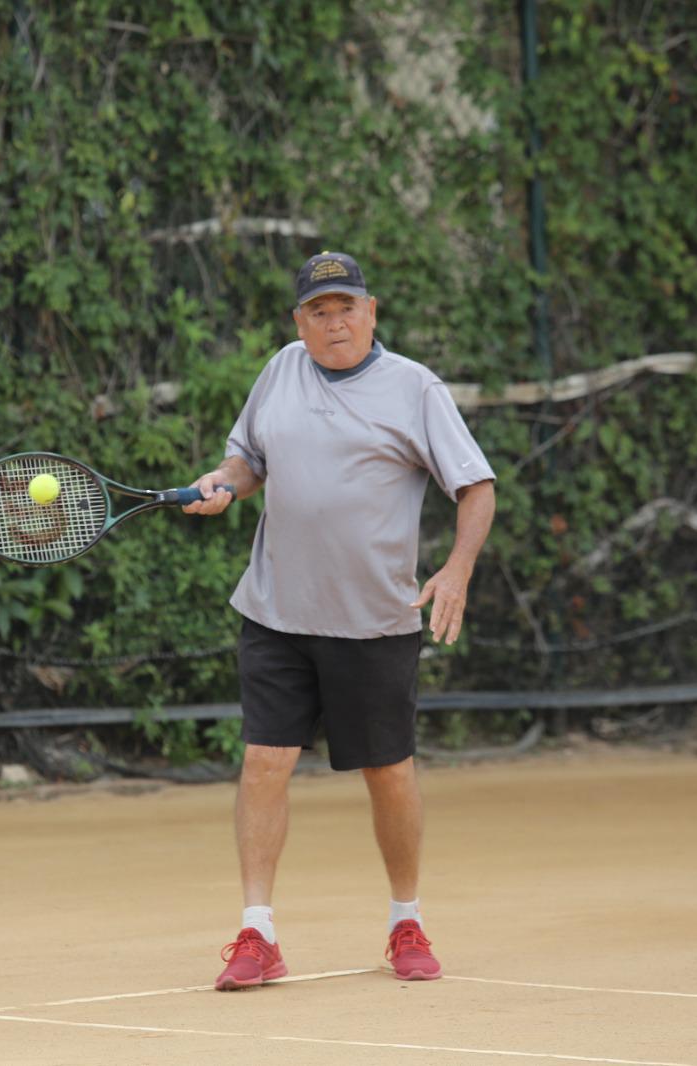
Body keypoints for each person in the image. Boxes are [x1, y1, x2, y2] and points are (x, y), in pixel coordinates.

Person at [186, 251, 496, 990]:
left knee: (389, 772)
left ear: (372, 311)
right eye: (318, 312)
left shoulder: (415, 388)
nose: (334, 323)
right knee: (264, 763)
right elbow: (247, 461)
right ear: (300, 321)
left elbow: (476, 487)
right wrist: (222, 483)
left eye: (346, 308)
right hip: (277, 610)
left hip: (375, 621)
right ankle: (257, 934)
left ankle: (405, 920)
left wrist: (455, 570)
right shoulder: (279, 371)